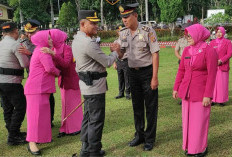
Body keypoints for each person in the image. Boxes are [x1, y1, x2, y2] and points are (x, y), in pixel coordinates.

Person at [72, 10, 123, 157]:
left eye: (96, 23)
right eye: (92, 23)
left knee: (88, 118)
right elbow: (107, 62)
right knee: (96, 120)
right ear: (83, 24)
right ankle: (93, 151)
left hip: (87, 86)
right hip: (94, 87)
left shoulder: (77, 39)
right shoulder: (88, 43)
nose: (96, 26)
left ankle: (86, 149)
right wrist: (115, 51)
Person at [116, 1, 160, 151]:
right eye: (123, 18)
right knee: (137, 106)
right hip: (132, 73)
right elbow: (122, 55)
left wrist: (154, 77)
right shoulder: (123, 33)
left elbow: (155, 53)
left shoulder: (148, 31)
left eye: (127, 17)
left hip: (147, 73)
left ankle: (150, 138)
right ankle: (139, 135)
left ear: (135, 15)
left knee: (151, 107)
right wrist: (117, 50)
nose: (124, 20)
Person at [173, 24, 218, 156]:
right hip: (186, 92)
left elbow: (212, 75)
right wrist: (176, 87)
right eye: (187, 35)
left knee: (198, 123)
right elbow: (181, 70)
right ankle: (189, 146)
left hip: (201, 93)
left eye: (190, 34)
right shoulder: (186, 50)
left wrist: (208, 95)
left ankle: (200, 148)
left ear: (198, 35)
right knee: (187, 121)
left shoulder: (209, 50)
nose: (187, 37)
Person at [41, 29, 83, 138]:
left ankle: (76, 127)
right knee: (65, 105)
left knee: (73, 104)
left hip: (71, 79)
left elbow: (65, 64)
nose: (50, 39)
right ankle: (65, 128)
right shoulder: (54, 48)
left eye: (51, 37)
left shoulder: (67, 48)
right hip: (63, 79)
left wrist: (53, 54)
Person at [24, 30, 60, 155]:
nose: (51, 41)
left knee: (43, 115)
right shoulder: (42, 51)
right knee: (35, 117)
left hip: (41, 88)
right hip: (36, 88)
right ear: (43, 40)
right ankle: (31, 143)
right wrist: (58, 72)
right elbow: (50, 68)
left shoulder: (41, 50)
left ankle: (42, 138)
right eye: (49, 39)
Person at [19, 19, 56, 127]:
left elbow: (44, 59)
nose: (29, 35)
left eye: (32, 32)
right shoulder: (23, 43)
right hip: (32, 76)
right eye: (28, 32)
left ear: (38, 31)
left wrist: (30, 53)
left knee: (49, 99)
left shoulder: (44, 42)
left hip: (45, 76)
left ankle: (49, 120)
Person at [0, 22, 29, 145]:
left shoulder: (1, 44)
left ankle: (13, 132)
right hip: (12, 82)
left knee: (7, 108)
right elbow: (25, 64)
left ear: (3, 33)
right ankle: (13, 135)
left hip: (1, 81)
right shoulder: (16, 45)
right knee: (20, 106)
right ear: (16, 31)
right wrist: (29, 54)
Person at [209, 26, 232, 106]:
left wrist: (221, 60)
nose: (218, 34)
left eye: (220, 32)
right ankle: (212, 99)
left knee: (222, 84)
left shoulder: (228, 42)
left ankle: (221, 100)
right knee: (213, 83)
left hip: (223, 66)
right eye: (217, 32)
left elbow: (229, 53)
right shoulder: (212, 42)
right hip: (213, 66)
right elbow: (209, 53)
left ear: (223, 33)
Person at [113, 25, 131, 99]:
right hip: (119, 62)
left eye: (121, 31)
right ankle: (121, 93)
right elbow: (114, 53)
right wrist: (114, 63)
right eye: (119, 31)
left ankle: (127, 93)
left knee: (127, 78)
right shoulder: (115, 41)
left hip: (126, 61)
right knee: (120, 78)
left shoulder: (126, 41)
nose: (120, 32)